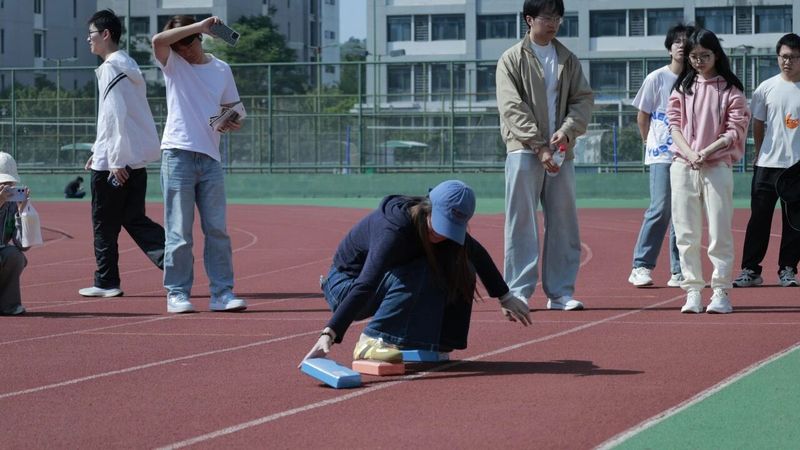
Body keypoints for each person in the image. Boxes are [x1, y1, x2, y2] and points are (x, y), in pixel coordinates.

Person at [301, 180, 531, 363]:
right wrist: (331, 332)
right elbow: (366, 283)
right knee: (420, 269)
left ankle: (438, 341)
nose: (441, 234)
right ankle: (372, 339)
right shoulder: (393, 229)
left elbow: (477, 253)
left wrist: (505, 296)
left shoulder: (443, 233)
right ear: (427, 208)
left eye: (451, 228)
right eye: (440, 224)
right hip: (346, 288)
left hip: (379, 284)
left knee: (461, 263)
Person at [496, 0, 593, 311]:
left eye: (558, 18)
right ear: (529, 19)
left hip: (561, 152)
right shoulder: (511, 59)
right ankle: (519, 290)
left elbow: (582, 100)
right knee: (521, 221)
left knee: (564, 222)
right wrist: (539, 146)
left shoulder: (567, 59)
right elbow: (511, 107)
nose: (553, 23)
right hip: (524, 150)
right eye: (547, 17)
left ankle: (560, 293)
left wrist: (566, 132)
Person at [152, 15, 246, 313]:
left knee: (217, 230)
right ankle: (177, 293)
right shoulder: (173, 64)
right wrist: (198, 27)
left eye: (189, 44)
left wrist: (232, 121)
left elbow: (232, 108)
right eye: (178, 46)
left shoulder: (221, 69)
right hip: (177, 154)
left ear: (200, 40)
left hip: (210, 158)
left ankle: (222, 293)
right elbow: (157, 41)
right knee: (179, 231)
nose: (184, 51)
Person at [79, 10, 166, 298]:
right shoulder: (128, 64)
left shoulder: (111, 67)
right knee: (134, 218)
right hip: (134, 160)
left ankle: (107, 282)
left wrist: (112, 158)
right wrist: (99, 149)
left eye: (91, 34)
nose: (88, 40)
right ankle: (172, 258)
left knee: (104, 224)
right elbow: (119, 116)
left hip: (116, 164)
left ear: (105, 34)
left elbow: (114, 115)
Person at [667, 28, 751, 314]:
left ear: (716, 55)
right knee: (685, 233)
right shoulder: (682, 88)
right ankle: (692, 291)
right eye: (693, 56)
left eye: (704, 55)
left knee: (719, 231)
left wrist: (707, 151)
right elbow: (674, 125)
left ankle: (721, 291)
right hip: (683, 166)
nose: (699, 61)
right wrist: (690, 153)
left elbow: (735, 130)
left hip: (717, 167)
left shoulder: (730, 90)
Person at [732, 33, 800, 289]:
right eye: (784, 57)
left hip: (796, 168)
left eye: (793, 57)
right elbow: (758, 123)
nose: (788, 62)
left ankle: (788, 269)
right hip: (767, 165)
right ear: (777, 57)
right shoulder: (765, 88)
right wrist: (759, 153)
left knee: (794, 222)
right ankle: (751, 270)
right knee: (759, 219)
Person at [627, 24, 692, 288]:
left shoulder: (695, 79)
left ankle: (678, 270)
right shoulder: (656, 78)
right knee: (660, 208)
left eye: (686, 41)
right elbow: (642, 116)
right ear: (669, 48)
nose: (682, 45)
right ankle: (641, 266)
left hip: (687, 155)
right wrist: (649, 142)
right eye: (677, 41)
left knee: (681, 213)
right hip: (661, 154)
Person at [0, 152, 31, 316]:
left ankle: (9, 305)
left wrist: (22, 212)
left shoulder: (12, 205)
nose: (6, 188)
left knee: (14, 256)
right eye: (1, 183)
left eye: (9, 183)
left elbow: (23, 245)